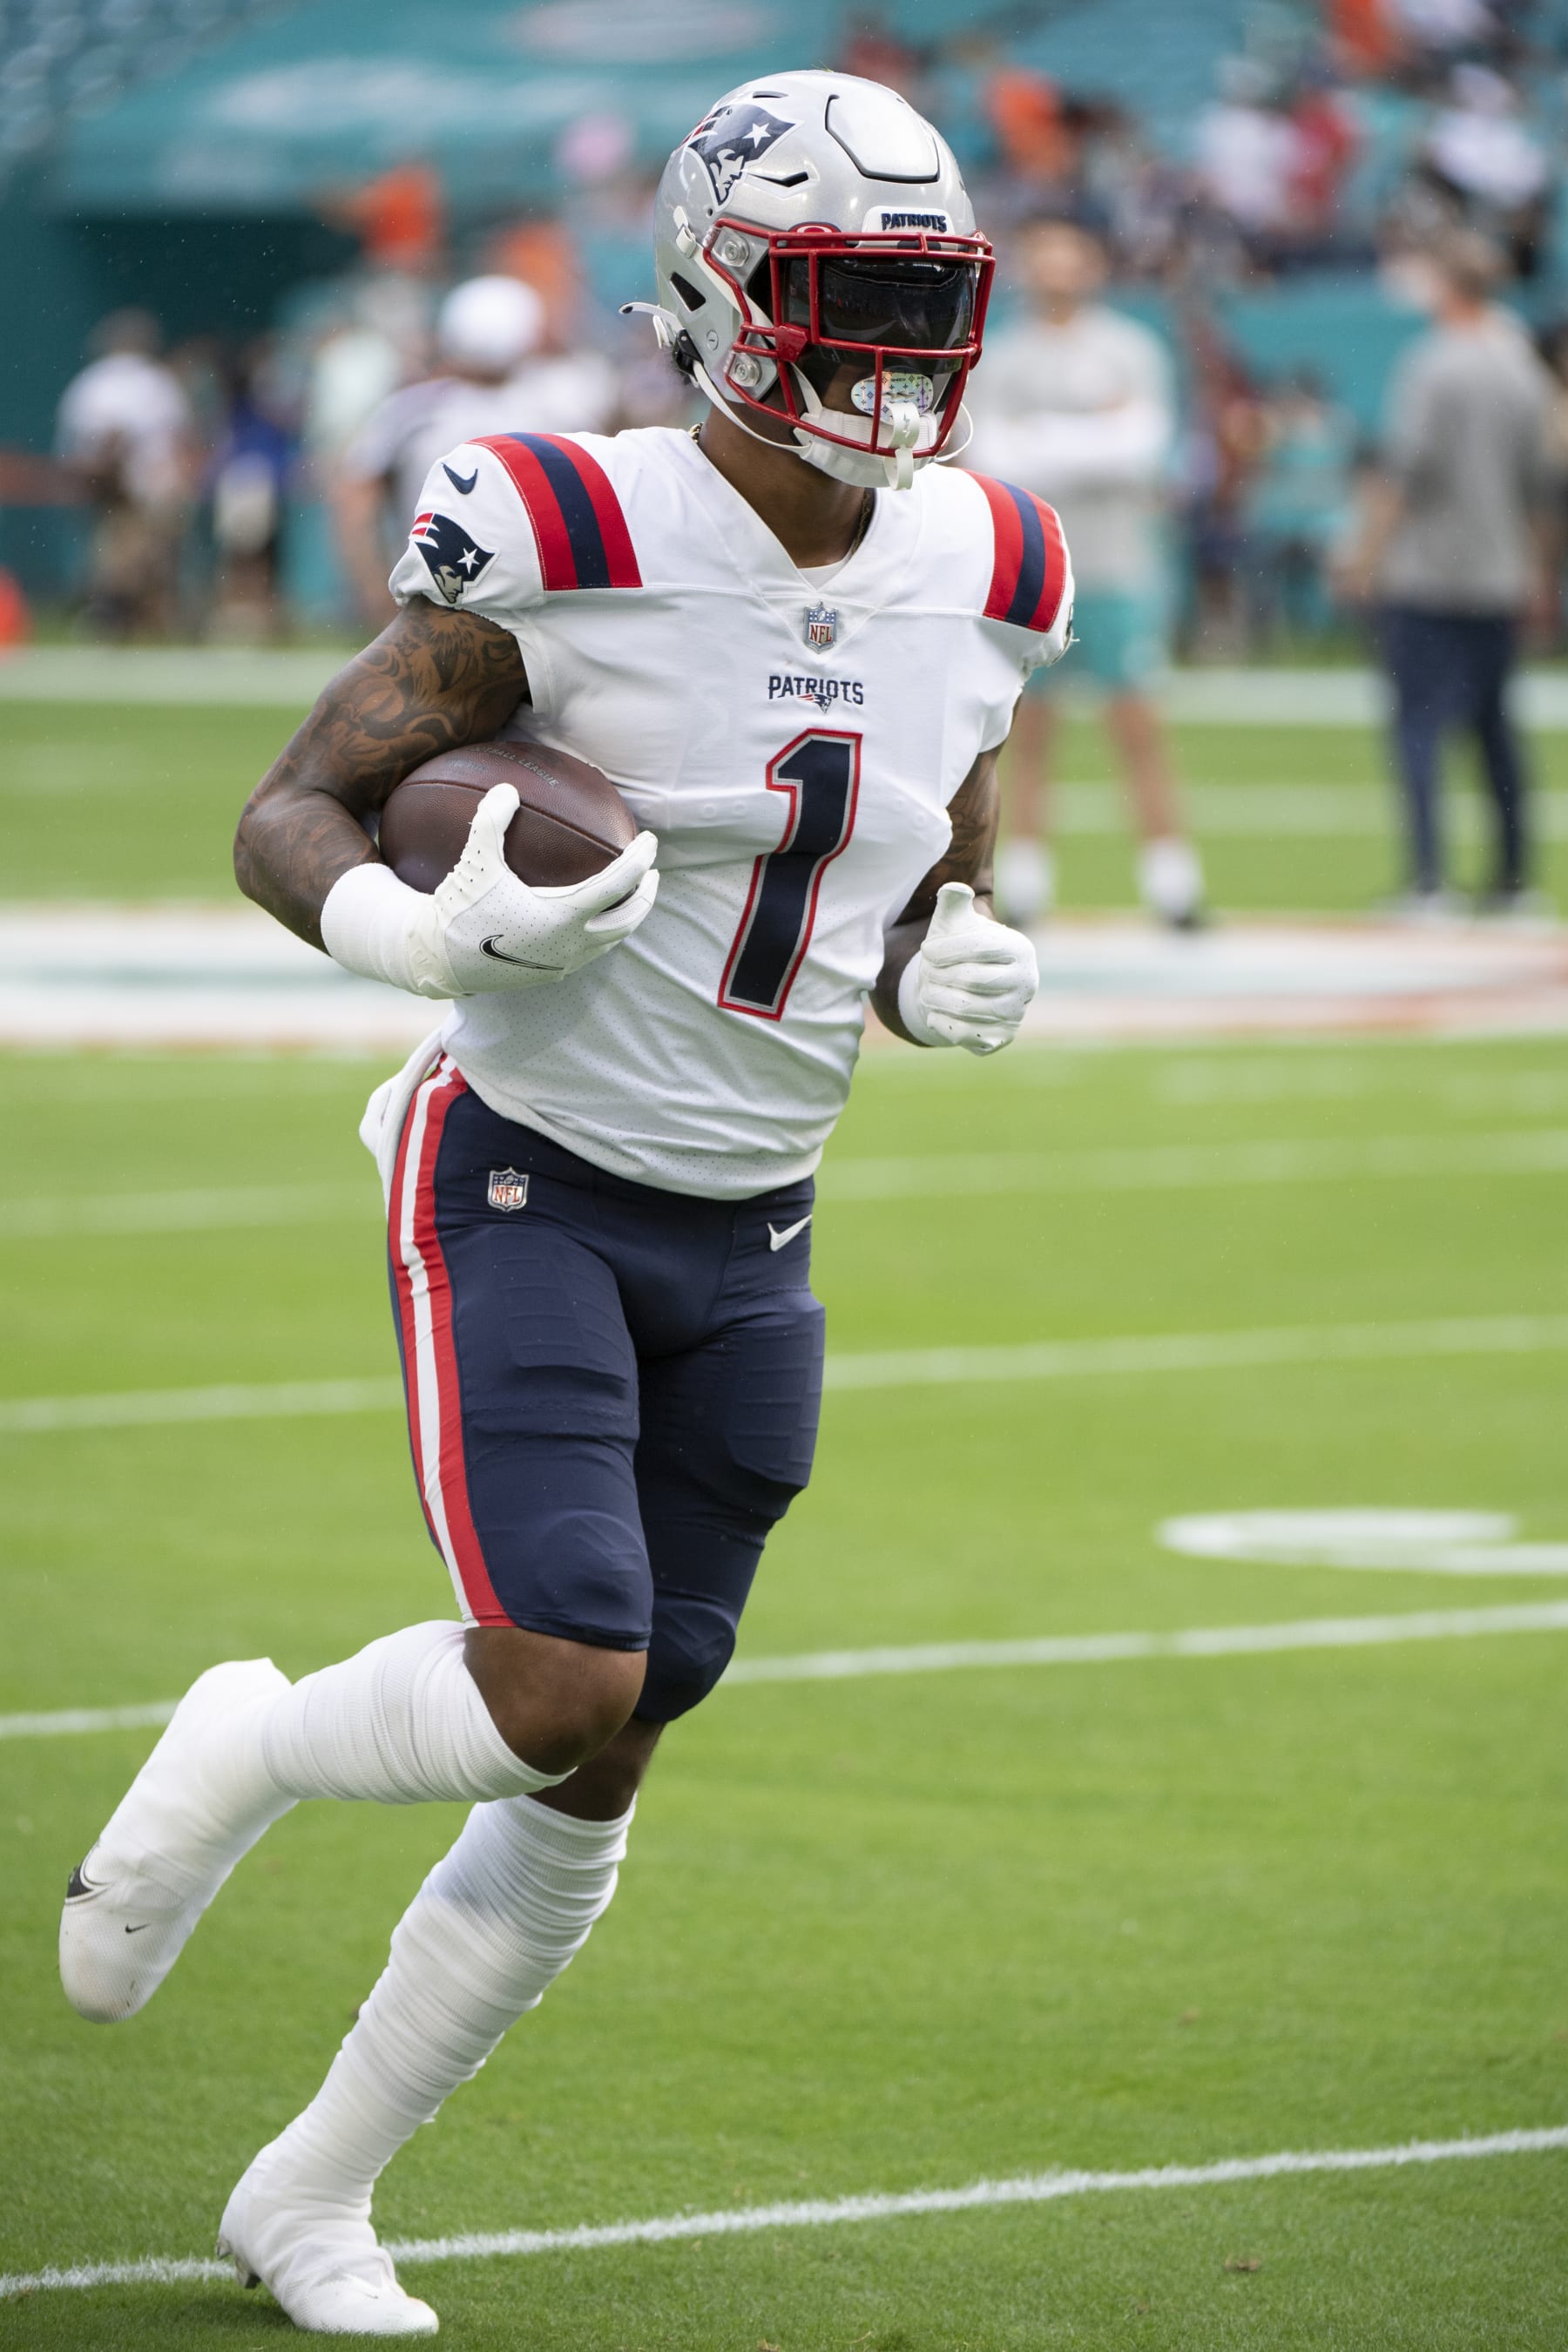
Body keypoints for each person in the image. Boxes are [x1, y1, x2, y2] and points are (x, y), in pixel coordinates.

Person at [59, 69, 1071, 2339]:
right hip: (522, 1166)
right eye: (845, 300)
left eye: (925, 305)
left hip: (762, 1211)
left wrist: (954, 955)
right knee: (556, 1671)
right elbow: (294, 803)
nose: (891, 358)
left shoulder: (993, 562)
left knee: (617, 1738)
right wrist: (412, 942)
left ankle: (313, 2190)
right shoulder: (558, 519)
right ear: (718, 293)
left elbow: (928, 838)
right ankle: (246, 1740)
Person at [967, 213, 1204, 929]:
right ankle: (1024, 888)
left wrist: (1048, 439)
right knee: (1025, 735)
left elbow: (1140, 447)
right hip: (1034, 571)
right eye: (1045, 258)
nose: (1058, 270)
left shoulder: (1130, 348)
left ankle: (1174, 888)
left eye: (1070, 256)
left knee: (1137, 725)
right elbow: (995, 457)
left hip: (1116, 564)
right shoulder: (1002, 357)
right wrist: (1093, 433)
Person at [1336, 229, 1554, 915]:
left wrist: (1365, 554)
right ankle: (1514, 882)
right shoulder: (1521, 365)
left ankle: (1430, 881)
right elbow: (1542, 482)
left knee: (1419, 731)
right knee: (1496, 733)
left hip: (1428, 574)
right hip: (1498, 571)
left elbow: (1405, 470)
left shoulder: (1434, 365)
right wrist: (1539, 572)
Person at [333, 274, 614, 628]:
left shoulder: (410, 410)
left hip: (434, 597)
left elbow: (355, 506)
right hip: (539, 605)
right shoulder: (561, 413)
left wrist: (374, 590)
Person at [54, 309, 193, 639]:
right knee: (144, 559)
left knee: (117, 556)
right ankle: (125, 618)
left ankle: (120, 617)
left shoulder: (92, 382)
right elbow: (173, 438)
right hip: (147, 484)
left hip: (111, 488)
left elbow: (81, 443)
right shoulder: (153, 381)